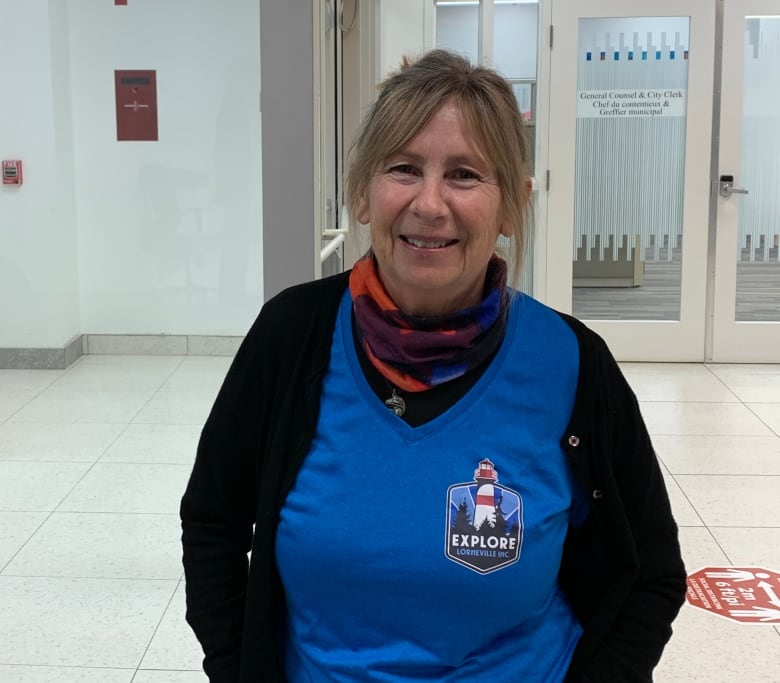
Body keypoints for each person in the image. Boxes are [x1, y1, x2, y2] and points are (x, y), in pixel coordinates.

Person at [180, 49, 686, 682]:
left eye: (466, 174)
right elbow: (213, 522)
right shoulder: (292, 337)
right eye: (403, 168)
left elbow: (650, 574)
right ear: (363, 193)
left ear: (510, 206)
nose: (429, 203)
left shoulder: (571, 363)